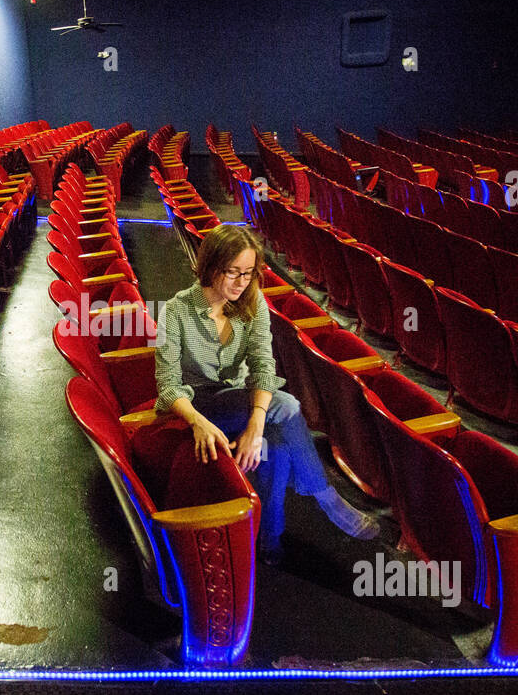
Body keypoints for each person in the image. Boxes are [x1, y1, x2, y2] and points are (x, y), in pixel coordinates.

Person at [153, 224, 378, 564]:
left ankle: (269, 540)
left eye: (249, 272)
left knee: (276, 444)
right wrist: (198, 422)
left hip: (241, 401)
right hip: (198, 408)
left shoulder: (251, 302)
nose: (242, 282)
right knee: (286, 405)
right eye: (234, 273)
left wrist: (255, 428)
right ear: (211, 267)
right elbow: (168, 385)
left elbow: (263, 366)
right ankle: (327, 499)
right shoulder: (176, 310)